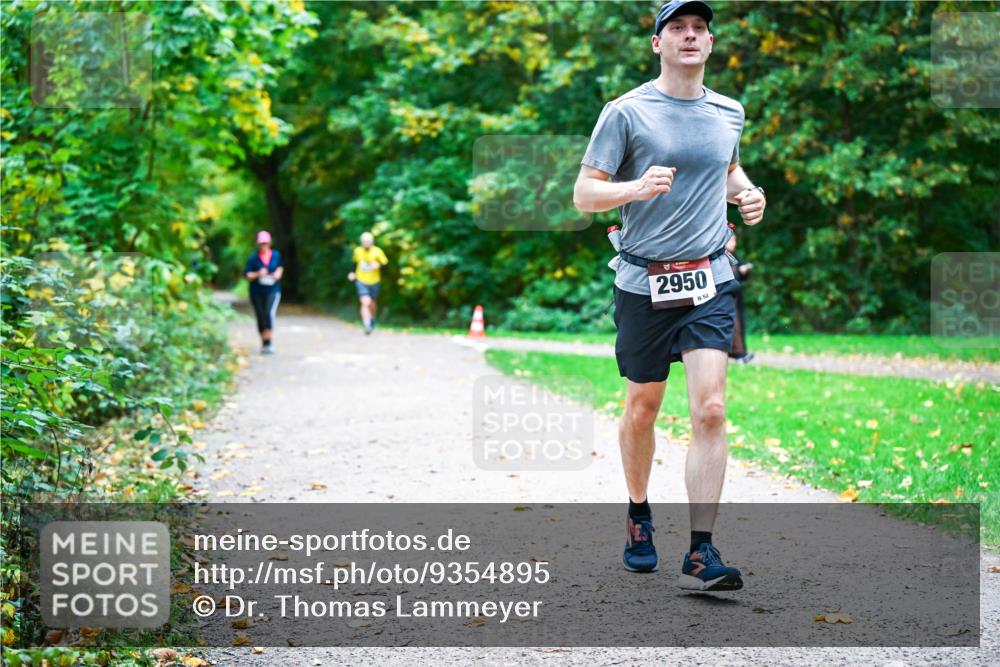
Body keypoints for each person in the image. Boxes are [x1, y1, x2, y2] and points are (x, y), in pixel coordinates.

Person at [573, 0, 765, 590]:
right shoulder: (626, 112)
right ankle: (638, 514)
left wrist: (747, 191)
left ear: (710, 43)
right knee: (643, 409)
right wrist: (635, 187)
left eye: (699, 29)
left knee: (711, 408)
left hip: (709, 274)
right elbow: (584, 194)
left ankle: (702, 551)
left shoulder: (728, 111)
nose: (689, 36)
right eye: (677, 28)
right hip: (643, 281)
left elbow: (724, 169)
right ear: (657, 43)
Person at [244, 230, 283, 355]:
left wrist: (275, 275)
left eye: (265, 243)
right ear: (258, 244)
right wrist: (258, 274)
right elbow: (247, 274)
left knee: (268, 313)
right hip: (256, 291)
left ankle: (269, 341)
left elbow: (280, 269)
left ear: (269, 243)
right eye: (261, 243)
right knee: (260, 315)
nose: (263, 246)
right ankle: (264, 343)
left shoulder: (276, 255)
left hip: (272, 289)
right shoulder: (253, 258)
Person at [347, 232, 388, 335]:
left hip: (374, 281)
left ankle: (372, 318)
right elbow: (354, 263)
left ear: (372, 242)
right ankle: (366, 324)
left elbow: (386, 265)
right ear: (361, 242)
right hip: (361, 280)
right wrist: (352, 273)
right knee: (365, 302)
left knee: (372, 304)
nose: (366, 243)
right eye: (364, 242)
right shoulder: (357, 251)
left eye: (368, 241)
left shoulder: (378, 251)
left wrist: (378, 265)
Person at [725, 230, 755, 363]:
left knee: (738, 324)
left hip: (735, 296)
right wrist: (738, 271)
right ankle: (736, 353)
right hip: (724, 296)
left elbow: (738, 272)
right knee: (731, 324)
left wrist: (743, 271)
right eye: (731, 240)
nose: (734, 244)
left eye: (735, 240)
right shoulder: (721, 255)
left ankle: (739, 353)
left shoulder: (733, 255)